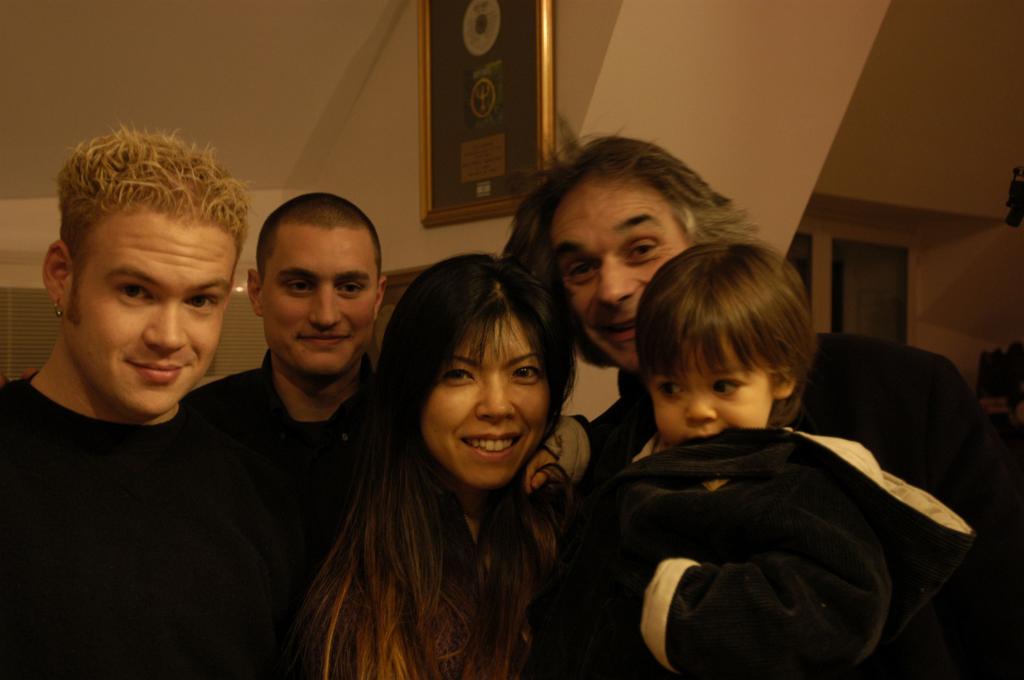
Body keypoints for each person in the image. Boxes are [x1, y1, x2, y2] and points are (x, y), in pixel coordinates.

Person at [504, 134, 1024, 677]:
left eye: (641, 248)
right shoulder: (600, 460)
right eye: (580, 268)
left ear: (707, 243)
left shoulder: (902, 389)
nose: (611, 288)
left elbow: (1007, 607)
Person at [526, 242, 974, 678]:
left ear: (781, 378)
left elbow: (840, 604)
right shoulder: (654, 447)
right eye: (671, 388)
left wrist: (680, 608)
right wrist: (570, 446)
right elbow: (612, 459)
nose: (697, 410)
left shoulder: (792, 484)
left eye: (723, 386)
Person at [0, 128, 303, 677]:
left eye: (200, 300)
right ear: (61, 275)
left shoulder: (263, 498)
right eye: (135, 291)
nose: (169, 336)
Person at [294, 254, 574, 680]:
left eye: (524, 372)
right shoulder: (358, 576)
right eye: (460, 374)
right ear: (411, 391)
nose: (497, 406)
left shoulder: (567, 531)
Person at [186, 192, 385, 567]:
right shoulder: (194, 427)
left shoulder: (415, 426)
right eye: (300, 285)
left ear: (378, 297)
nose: (326, 315)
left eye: (349, 287)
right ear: (257, 293)